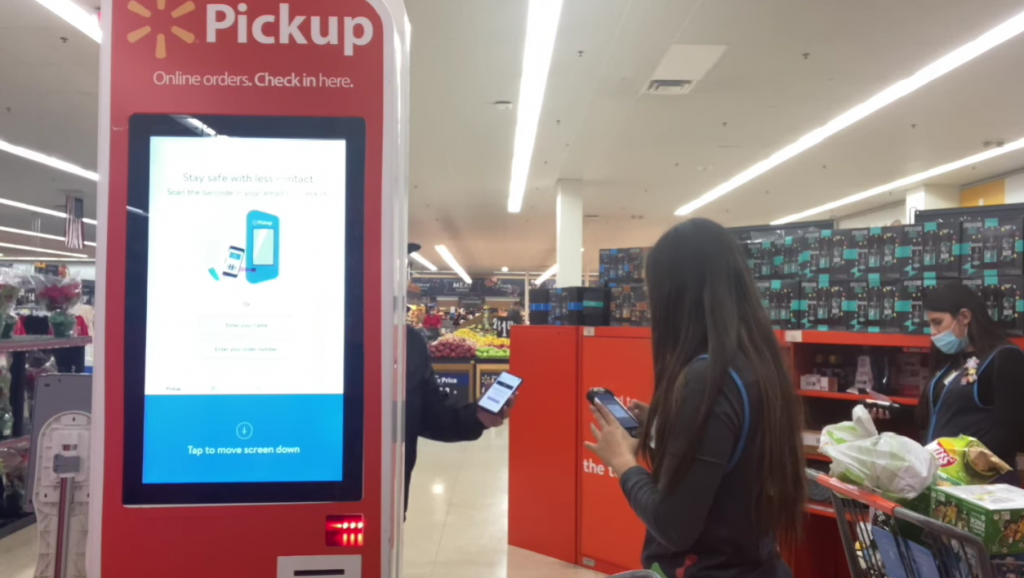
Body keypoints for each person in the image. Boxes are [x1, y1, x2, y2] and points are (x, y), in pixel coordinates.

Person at [584, 218, 805, 578]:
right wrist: (668, 423)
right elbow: (734, 458)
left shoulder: (706, 380)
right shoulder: (758, 363)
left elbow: (674, 526)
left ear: (675, 295)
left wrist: (623, 462)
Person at [870, 283, 1024, 482]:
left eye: (938, 322)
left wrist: (958, 461)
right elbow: (937, 421)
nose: (933, 332)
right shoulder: (950, 364)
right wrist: (893, 410)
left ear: (965, 317)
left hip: (981, 486)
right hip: (943, 481)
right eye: (930, 324)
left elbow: (1011, 432)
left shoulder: (1004, 358)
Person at [403, 245, 511, 516]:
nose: (404, 277)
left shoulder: (410, 343)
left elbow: (433, 415)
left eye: (405, 268)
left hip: (390, 490)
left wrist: (478, 416)